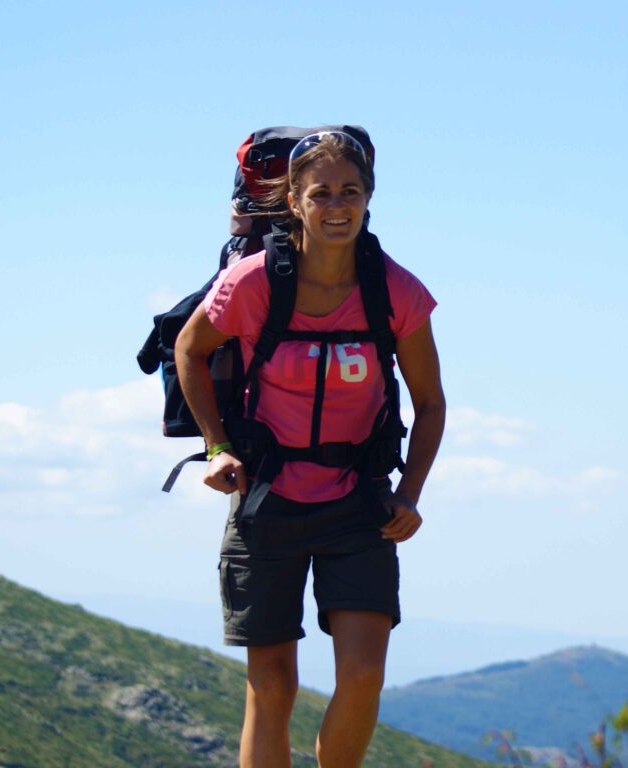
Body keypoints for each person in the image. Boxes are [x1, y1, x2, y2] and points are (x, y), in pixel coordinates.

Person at [175, 130, 445, 768]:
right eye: (320, 193)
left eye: (349, 191)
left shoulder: (395, 292)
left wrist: (410, 494)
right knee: (272, 688)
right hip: (266, 499)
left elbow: (431, 401)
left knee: (361, 677)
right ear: (294, 202)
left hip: (359, 506)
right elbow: (190, 350)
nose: (336, 205)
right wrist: (217, 447)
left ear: (369, 198)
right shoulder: (254, 283)